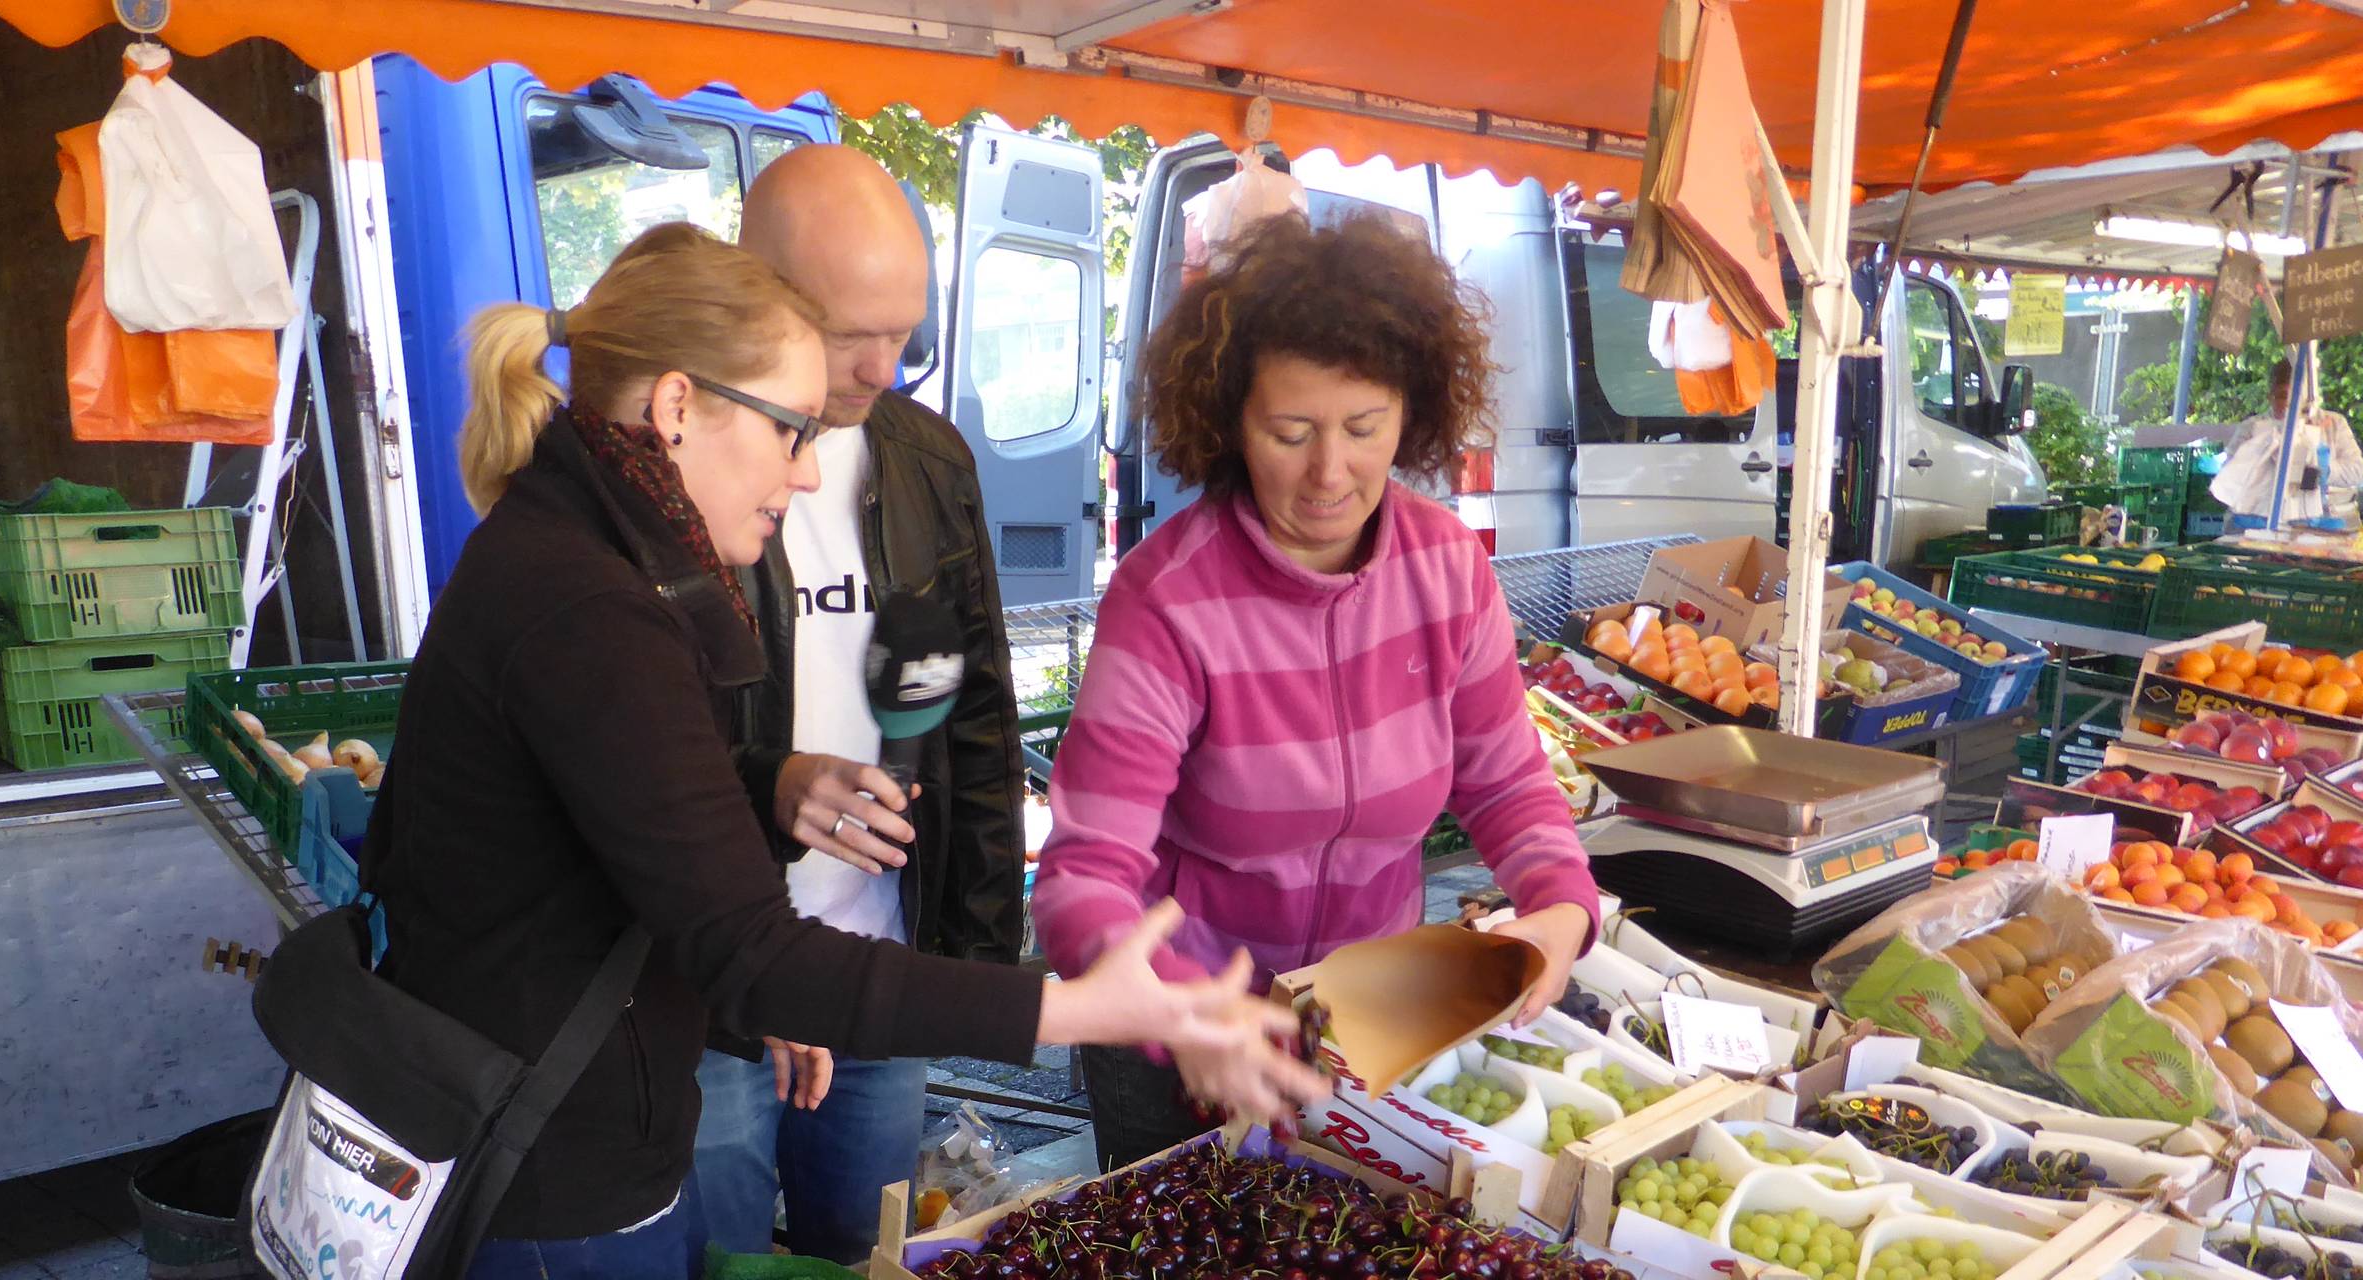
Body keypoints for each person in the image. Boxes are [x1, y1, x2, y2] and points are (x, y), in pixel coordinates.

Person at [357, 222, 1324, 1280]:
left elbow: (623, 816)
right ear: (679, 407)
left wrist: (763, 795)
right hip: (552, 1176)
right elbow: (747, 945)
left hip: (560, 1126)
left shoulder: (571, 555)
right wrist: (1080, 1005)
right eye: (789, 430)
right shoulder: (591, 602)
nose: (808, 473)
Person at [1029, 211, 1605, 1170]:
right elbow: (1084, 879)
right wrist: (1183, 1013)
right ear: (1229, 422)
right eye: (1290, 431)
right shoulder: (1168, 600)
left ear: (1410, 414)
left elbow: (1508, 782)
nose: (1330, 471)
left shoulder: (1448, 570)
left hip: (1374, 1026)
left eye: (1363, 428)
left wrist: (1561, 907)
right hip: (1185, 1030)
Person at [684, 144, 1027, 1268]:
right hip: (708, 983)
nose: (881, 367)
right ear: (754, 286)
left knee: (861, 1249)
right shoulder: (678, 464)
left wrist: (971, 954)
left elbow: (973, 707)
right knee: (723, 1257)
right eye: (847, 334)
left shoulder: (927, 459)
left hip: (874, 959)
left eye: (904, 333)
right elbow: (647, 746)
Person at [2212, 361, 2363, 524]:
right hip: (2264, 518)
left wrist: (2325, 469)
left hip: (2329, 518)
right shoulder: (2252, 428)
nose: (2289, 405)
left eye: (2296, 397)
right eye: (2282, 396)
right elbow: (2230, 475)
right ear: (2270, 396)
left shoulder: (2334, 423)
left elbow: (2356, 471)